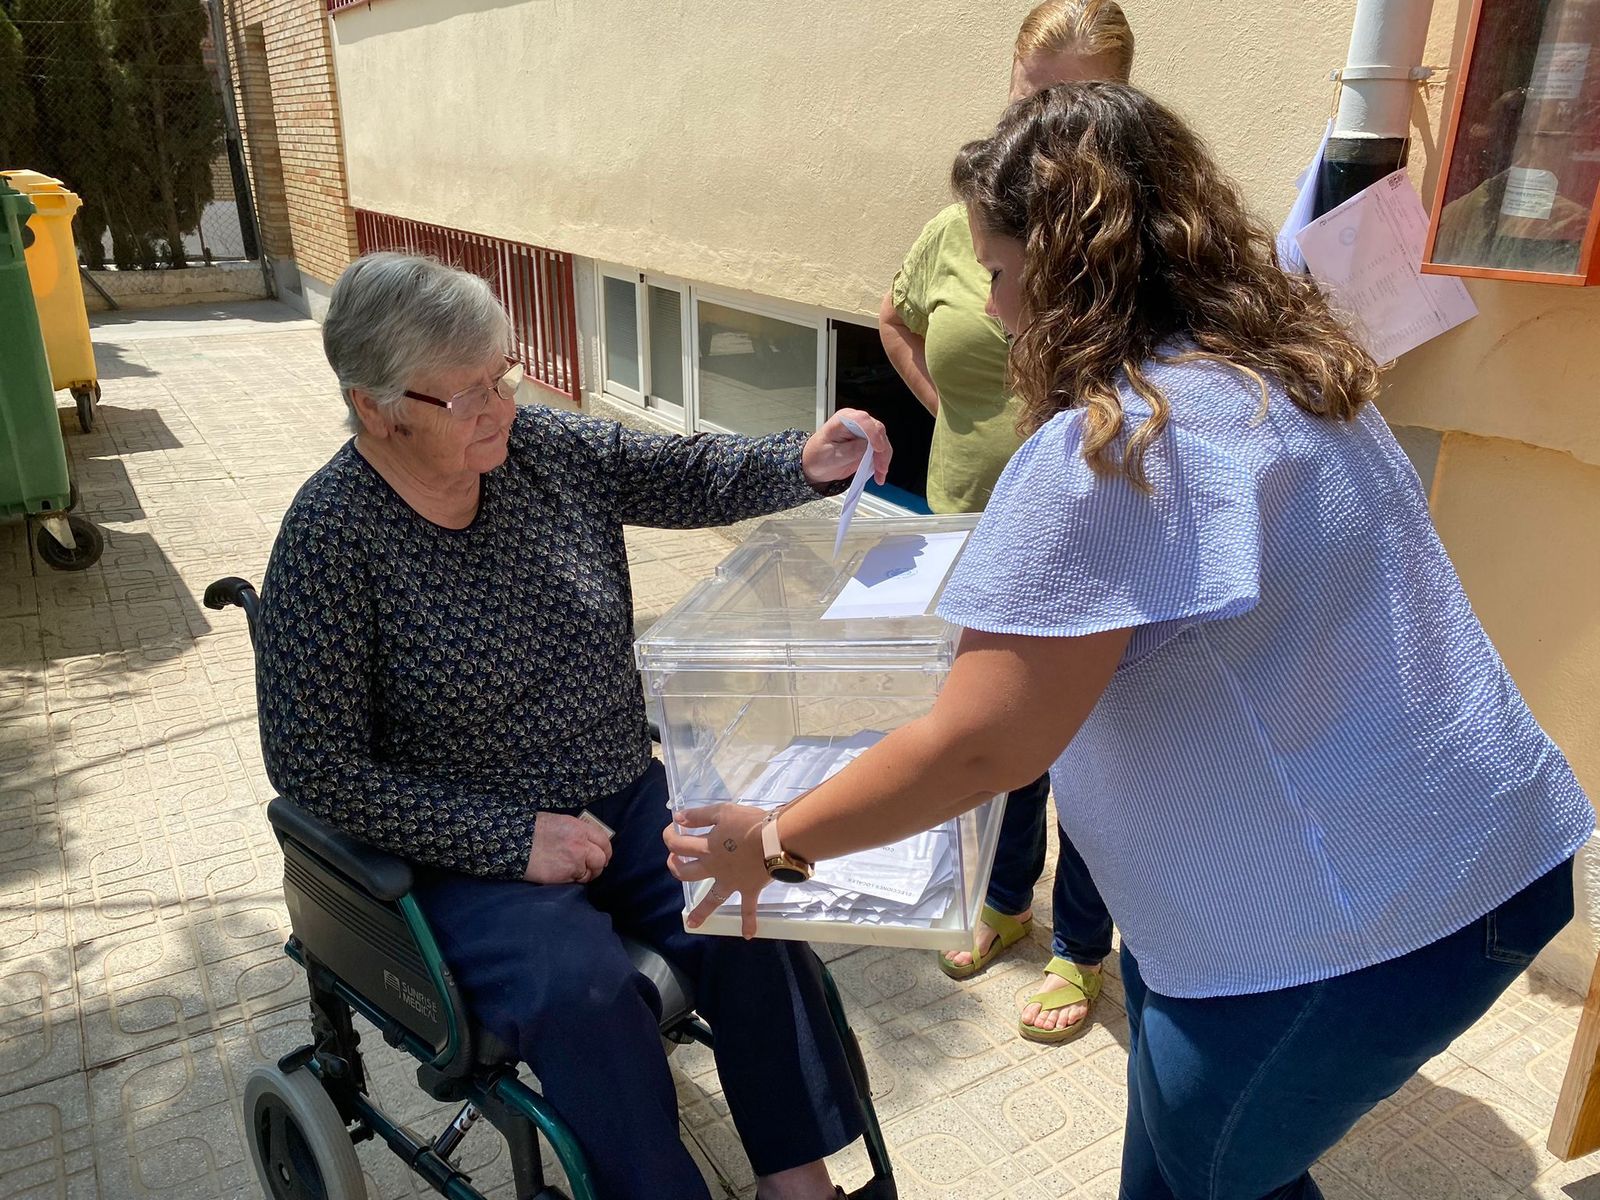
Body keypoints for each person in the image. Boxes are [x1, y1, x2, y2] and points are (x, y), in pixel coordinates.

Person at [667, 84, 1593, 1200]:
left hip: (1351, 923)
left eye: (1002, 272)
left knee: (1197, 1182)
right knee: (1184, 1168)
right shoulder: (1285, 370)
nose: (997, 306)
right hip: (1467, 853)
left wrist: (773, 843)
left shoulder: (1111, 447)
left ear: (1065, 271)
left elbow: (979, 748)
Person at [255, 253, 894, 1200]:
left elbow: (677, 471)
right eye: (468, 394)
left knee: (747, 897)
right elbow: (314, 765)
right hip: (463, 847)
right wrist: (510, 840)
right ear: (376, 406)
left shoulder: (541, 452)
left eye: (503, 376)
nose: (501, 406)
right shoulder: (330, 538)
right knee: (587, 994)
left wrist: (800, 460)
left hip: (622, 786)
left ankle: (796, 1182)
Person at [877, 0, 1136, 1043]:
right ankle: (1003, 902)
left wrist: (784, 844)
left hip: (1083, 543)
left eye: (1077, 106)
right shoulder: (963, 222)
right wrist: (950, 415)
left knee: (1088, 753)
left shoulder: (1123, 249)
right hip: (967, 524)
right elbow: (898, 317)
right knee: (998, 733)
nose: (1048, 129)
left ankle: (1081, 947)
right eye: (1035, 99)